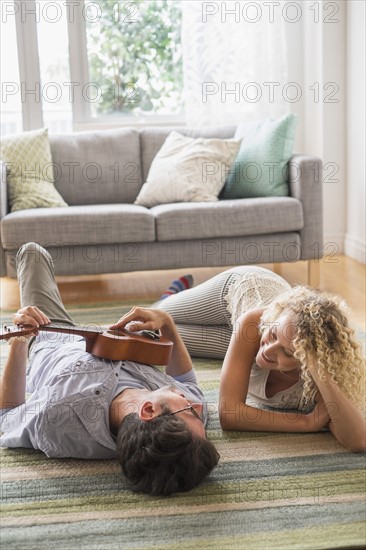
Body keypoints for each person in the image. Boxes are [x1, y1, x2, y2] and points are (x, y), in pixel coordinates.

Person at [0, 243, 219, 496]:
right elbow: (187, 382)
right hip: (125, 342)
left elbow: (6, 415)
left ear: (148, 410)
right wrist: (167, 325)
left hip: (53, 332)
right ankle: (168, 298)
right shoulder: (183, 429)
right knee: (154, 318)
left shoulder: (55, 420)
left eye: (190, 411)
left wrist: (20, 341)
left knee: (31, 252)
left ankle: (170, 296)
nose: (201, 406)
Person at [154, 266, 366, 453]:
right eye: (273, 336)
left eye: (289, 353)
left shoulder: (318, 373)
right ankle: (171, 295)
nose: (268, 351)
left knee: (158, 338)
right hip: (243, 289)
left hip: (240, 339)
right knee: (157, 317)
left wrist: (317, 368)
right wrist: (305, 423)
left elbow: (357, 440)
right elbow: (229, 415)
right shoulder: (255, 324)